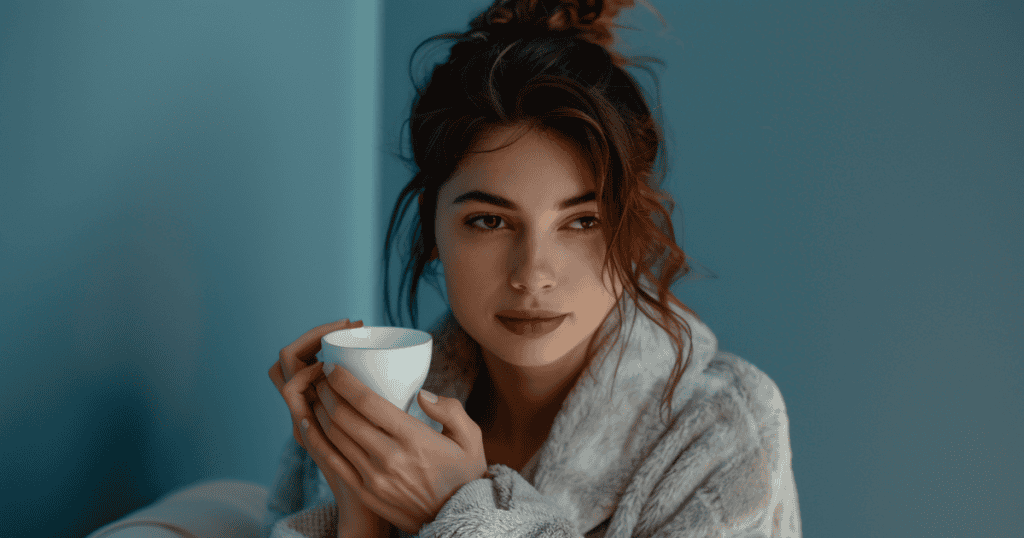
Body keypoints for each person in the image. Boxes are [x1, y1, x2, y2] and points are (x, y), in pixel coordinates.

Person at [266, 0, 802, 536]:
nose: (533, 274)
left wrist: (460, 511)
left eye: (583, 222)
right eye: (490, 222)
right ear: (432, 233)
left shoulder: (722, 431)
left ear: (633, 234)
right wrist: (363, 509)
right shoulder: (368, 414)